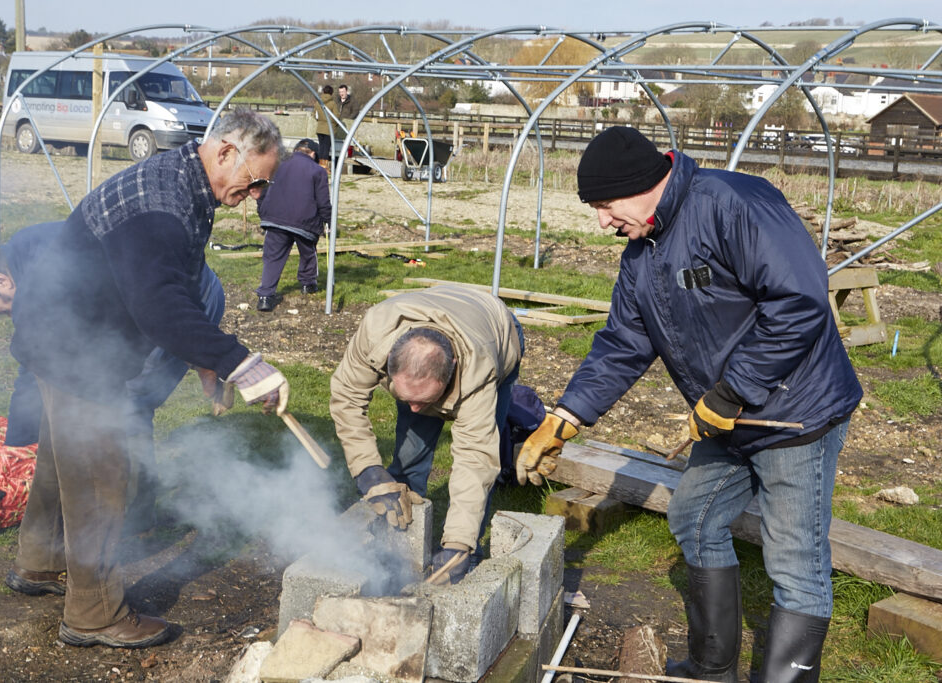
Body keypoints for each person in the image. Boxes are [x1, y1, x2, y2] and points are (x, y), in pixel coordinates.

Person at [516, 127, 862, 682]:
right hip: (731, 417)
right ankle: (710, 668)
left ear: (640, 185)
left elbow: (800, 301)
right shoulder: (643, 254)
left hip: (796, 413)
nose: (602, 222)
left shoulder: (733, 204)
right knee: (694, 517)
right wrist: (565, 417)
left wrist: (730, 391)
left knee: (795, 563)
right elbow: (624, 343)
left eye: (604, 206)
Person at [5, 109, 291, 649]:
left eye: (264, 187)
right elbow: (158, 304)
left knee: (62, 459)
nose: (256, 196)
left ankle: (39, 564)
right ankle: (93, 614)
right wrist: (240, 362)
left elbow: (173, 285)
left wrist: (206, 361)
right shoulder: (162, 203)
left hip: (59, 331)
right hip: (76, 347)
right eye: (256, 182)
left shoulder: (183, 184)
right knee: (100, 476)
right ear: (226, 151)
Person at [0, 223, 231, 531]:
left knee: (131, 402)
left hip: (185, 300)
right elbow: (37, 360)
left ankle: (134, 516)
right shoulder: (27, 261)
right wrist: (18, 441)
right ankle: (206, 361)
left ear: (1, 281)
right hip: (145, 299)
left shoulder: (44, 275)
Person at [330, 285, 524, 585]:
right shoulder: (375, 333)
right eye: (407, 396)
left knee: (486, 456)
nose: (416, 408)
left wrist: (459, 544)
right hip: (430, 312)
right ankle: (396, 536)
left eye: (425, 398)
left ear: (452, 370)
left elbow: (475, 460)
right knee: (411, 448)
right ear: (390, 362)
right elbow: (347, 396)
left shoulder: (478, 368)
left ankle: (465, 555)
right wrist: (367, 470)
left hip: (497, 328)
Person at [253, 138, 331, 312]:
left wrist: (264, 212)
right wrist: (329, 222)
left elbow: (261, 189)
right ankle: (308, 284)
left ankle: (265, 297)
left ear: (296, 150)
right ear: (313, 154)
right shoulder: (318, 171)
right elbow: (323, 202)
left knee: (273, 258)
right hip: (305, 221)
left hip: (275, 218)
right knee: (308, 252)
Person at [314, 84, 335, 168]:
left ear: (323, 92)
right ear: (331, 93)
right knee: (326, 148)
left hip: (319, 128)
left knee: (321, 147)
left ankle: (320, 164)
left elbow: (314, 115)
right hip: (328, 129)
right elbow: (336, 116)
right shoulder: (332, 103)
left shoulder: (318, 102)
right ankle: (324, 166)